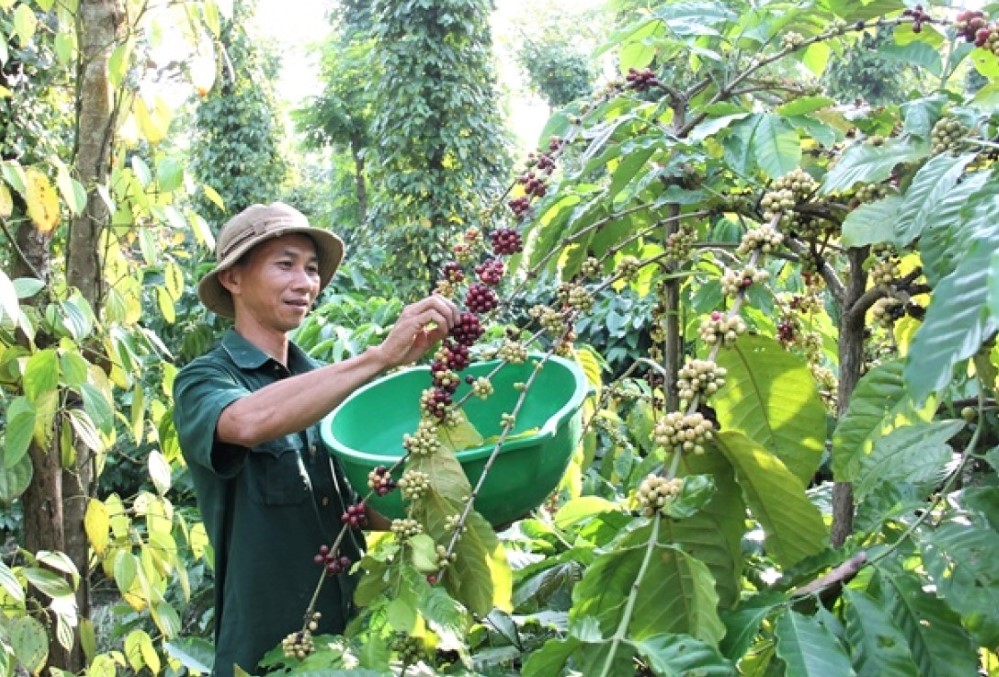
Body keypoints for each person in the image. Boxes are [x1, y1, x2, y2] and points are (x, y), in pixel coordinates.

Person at [172, 202, 459, 677]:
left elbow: (355, 506)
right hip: (268, 655)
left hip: (348, 648)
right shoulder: (204, 380)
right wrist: (379, 357)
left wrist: (450, 512)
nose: (305, 283)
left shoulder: (324, 386)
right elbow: (246, 423)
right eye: (285, 265)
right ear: (233, 279)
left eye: (310, 269)